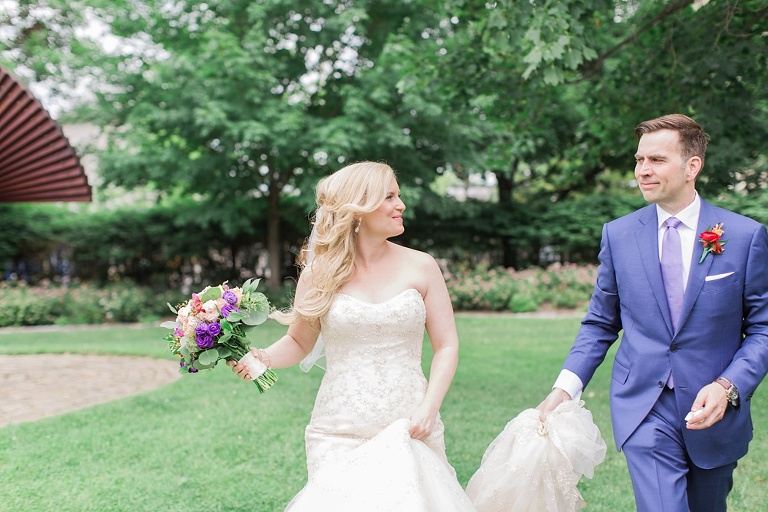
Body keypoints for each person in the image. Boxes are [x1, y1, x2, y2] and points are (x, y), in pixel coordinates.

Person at [536, 114, 768, 512]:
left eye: (656, 160)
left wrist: (728, 385)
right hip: (643, 404)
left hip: (713, 409)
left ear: (692, 166)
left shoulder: (745, 236)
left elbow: (763, 328)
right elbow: (600, 323)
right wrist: (565, 388)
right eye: (639, 160)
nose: (642, 170)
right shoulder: (619, 235)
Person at [229, 161, 475, 511]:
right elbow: (300, 342)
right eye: (389, 196)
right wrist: (264, 357)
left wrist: (428, 409)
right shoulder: (319, 274)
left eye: (399, 195)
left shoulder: (422, 266)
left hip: (410, 423)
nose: (401, 205)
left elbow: (447, 345)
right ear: (358, 208)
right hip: (339, 428)